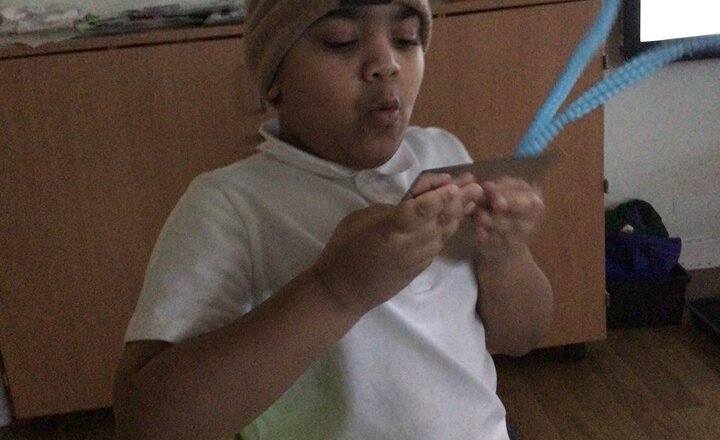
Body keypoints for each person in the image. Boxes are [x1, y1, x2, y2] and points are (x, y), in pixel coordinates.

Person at [112, 0, 553, 439]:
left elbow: (522, 337)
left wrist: (505, 255)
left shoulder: (444, 154)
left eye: (405, 38)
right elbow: (146, 423)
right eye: (342, 41)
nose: (387, 64)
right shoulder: (231, 205)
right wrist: (335, 291)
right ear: (274, 81)